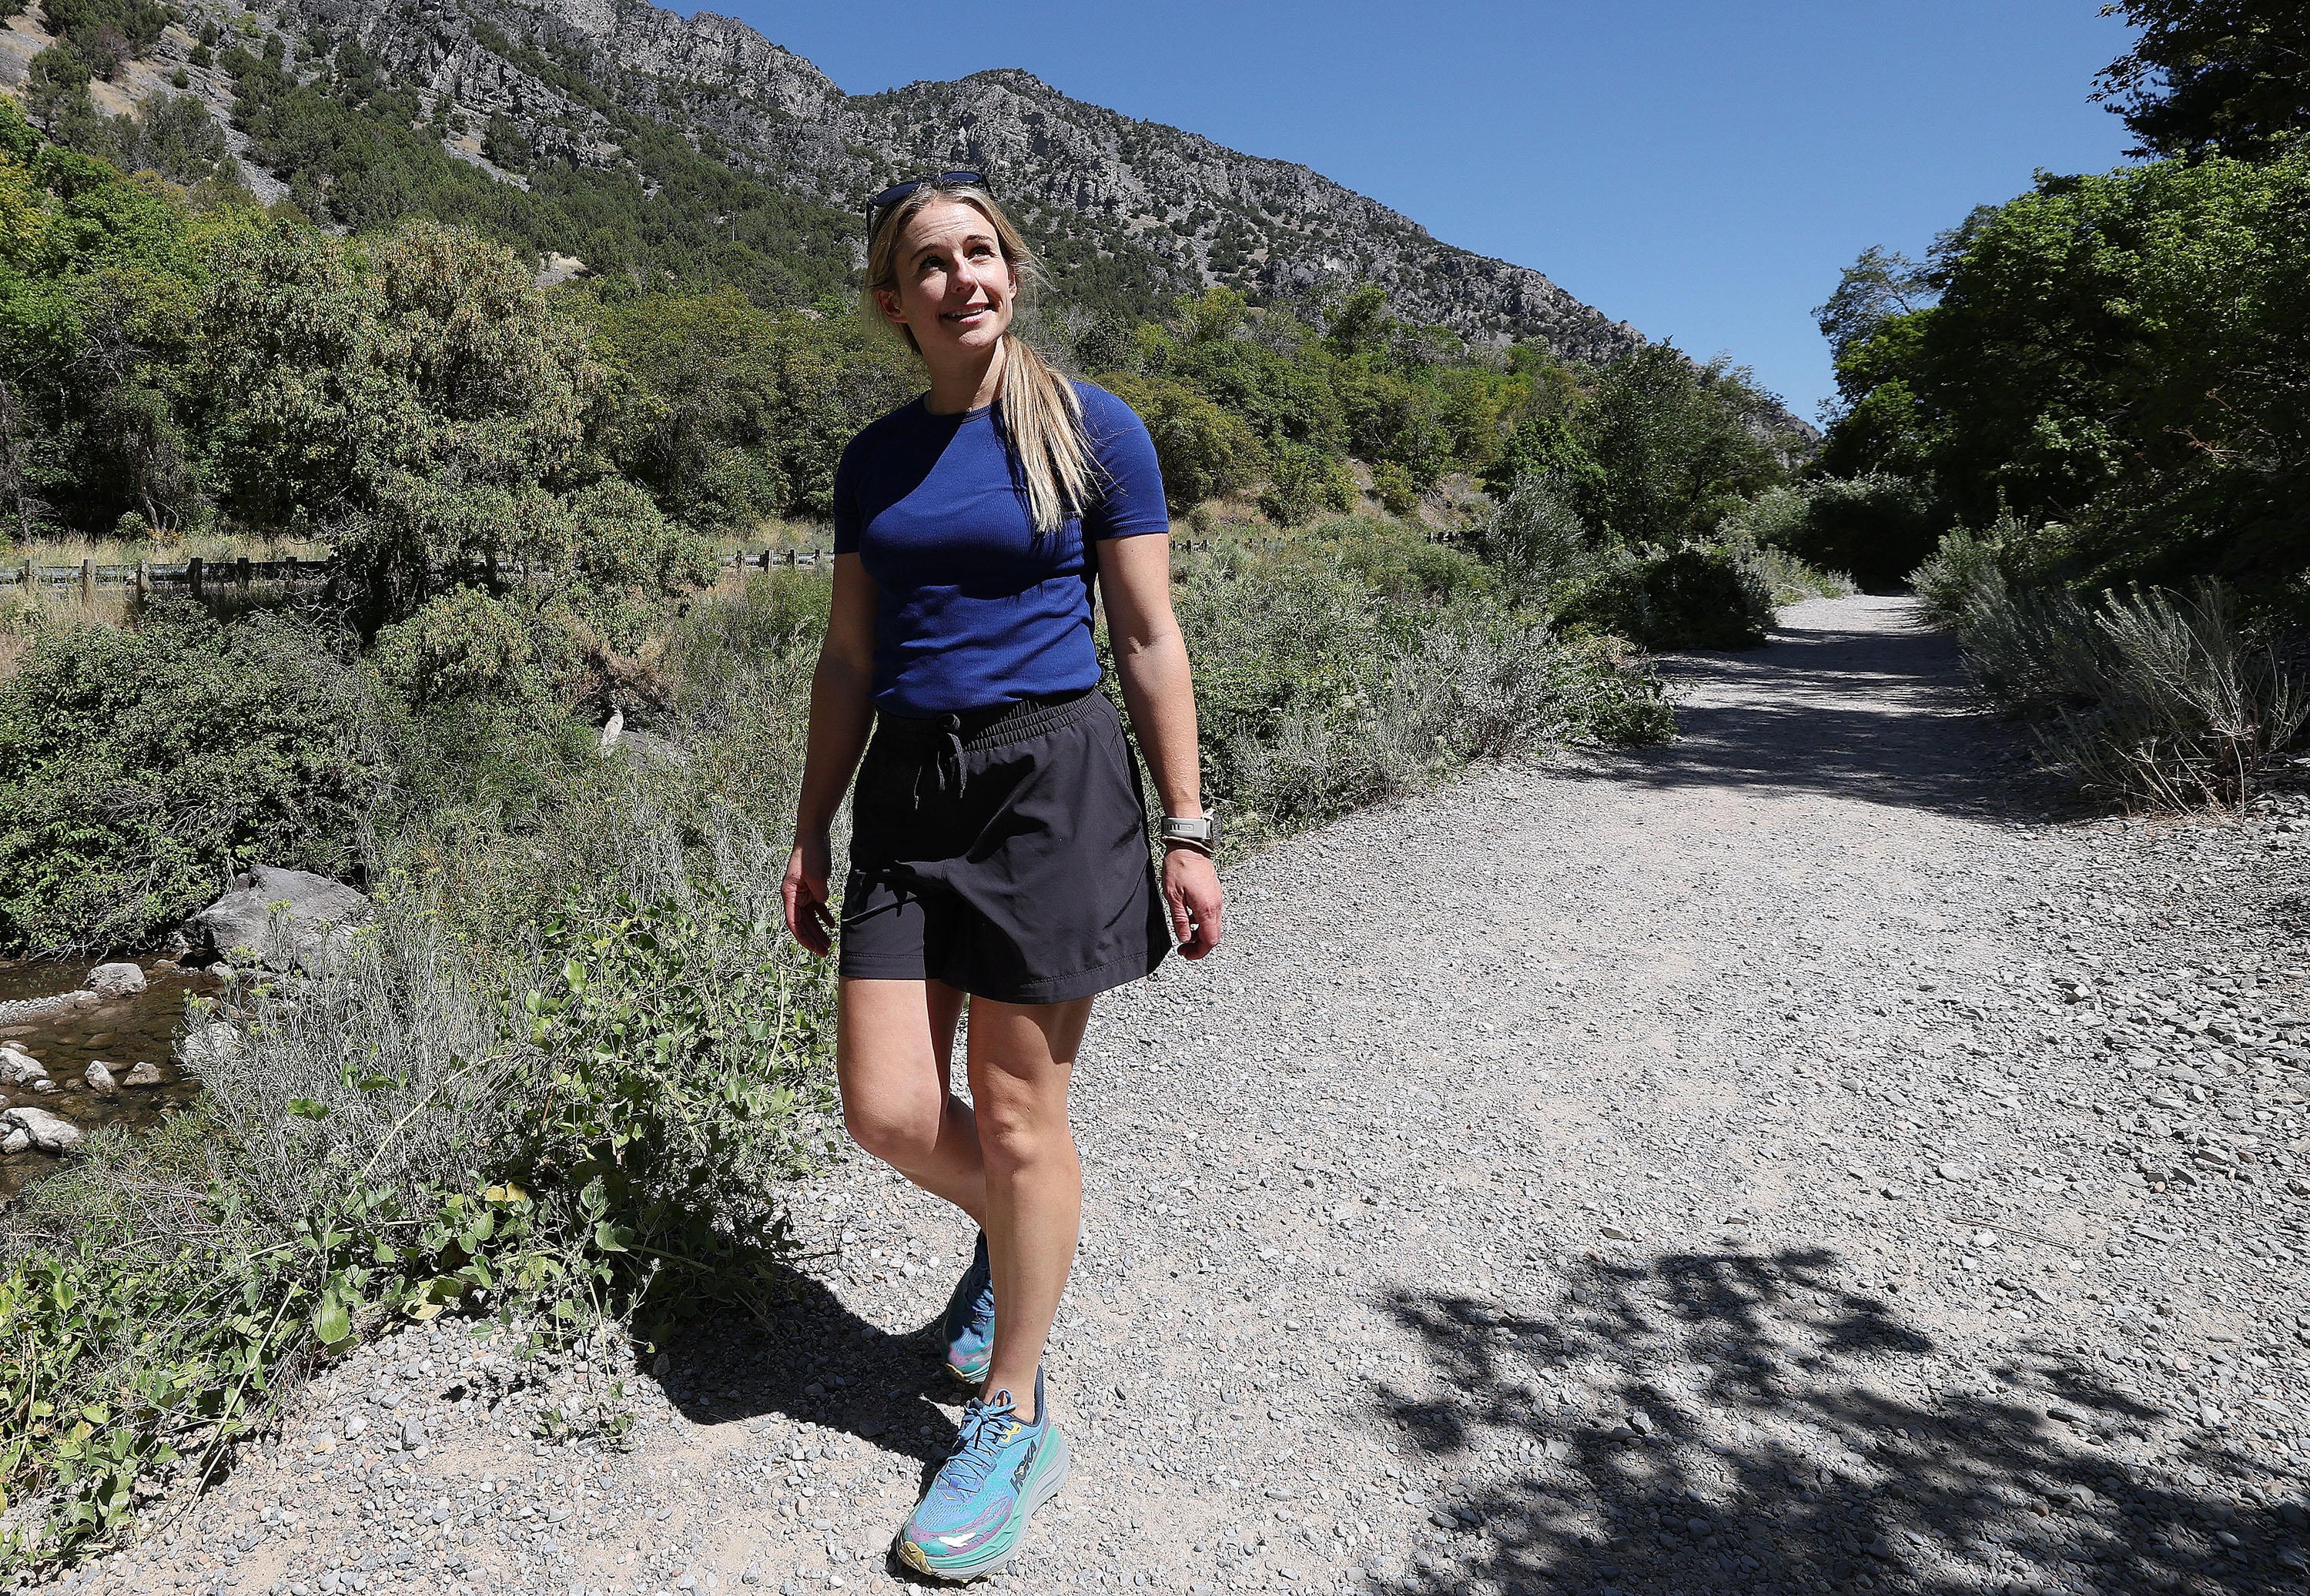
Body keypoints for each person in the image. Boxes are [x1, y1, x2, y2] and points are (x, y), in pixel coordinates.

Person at [780, 172, 1225, 1581]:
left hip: (1050, 782)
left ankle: (1015, 1412)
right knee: (888, 1108)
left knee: (1025, 1116)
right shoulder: (873, 460)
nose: (963, 276)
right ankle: (1015, 1234)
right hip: (908, 793)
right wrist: (811, 824)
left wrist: (1190, 826)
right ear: (892, 301)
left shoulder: (1092, 429)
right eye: (932, 262)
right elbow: (849, 656)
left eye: (982, 252)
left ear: (1012, 273)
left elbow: (1147, 638)